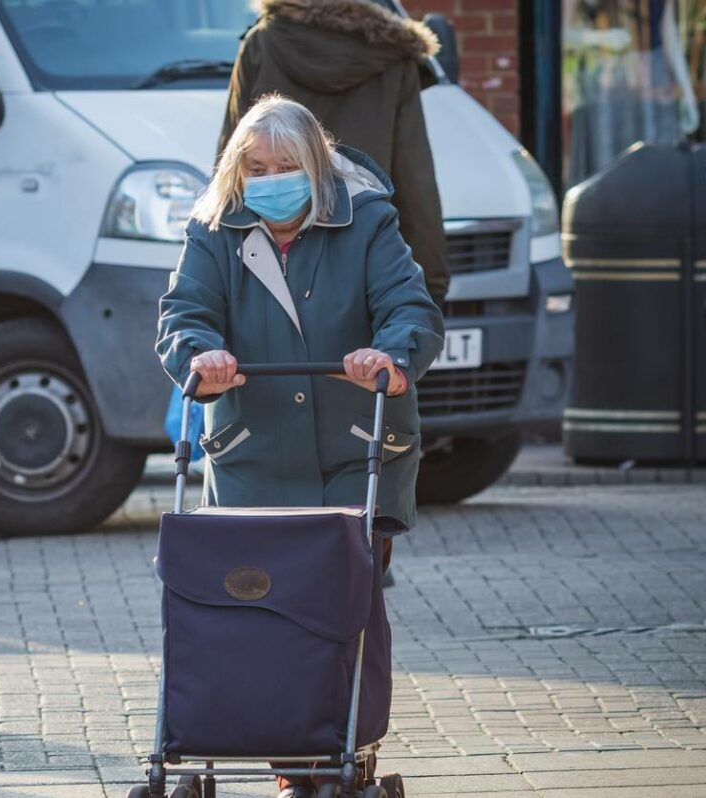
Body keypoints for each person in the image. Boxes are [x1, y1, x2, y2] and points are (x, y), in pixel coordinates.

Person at [156, 95, 443, 798]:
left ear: (316, 165)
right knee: (255, 614)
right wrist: (204, 355)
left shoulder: (366, 219)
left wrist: (389, 354)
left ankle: (332, 753)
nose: (272, 177)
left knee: (340, 610)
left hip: (353, 448)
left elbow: (411, 307)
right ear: (238, 169)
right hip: (253, 452)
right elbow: (183, 314)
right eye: (257, 166)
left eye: (287, 165)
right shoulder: (214, 228)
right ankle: (289, 756)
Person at [218, 0, 450, 307]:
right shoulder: (394, 57)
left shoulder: (263, 42)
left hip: (268, 261)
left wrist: (218, 273)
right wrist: (430, 285)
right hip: (365, 261)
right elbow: (415, 181)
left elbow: (231, 166)